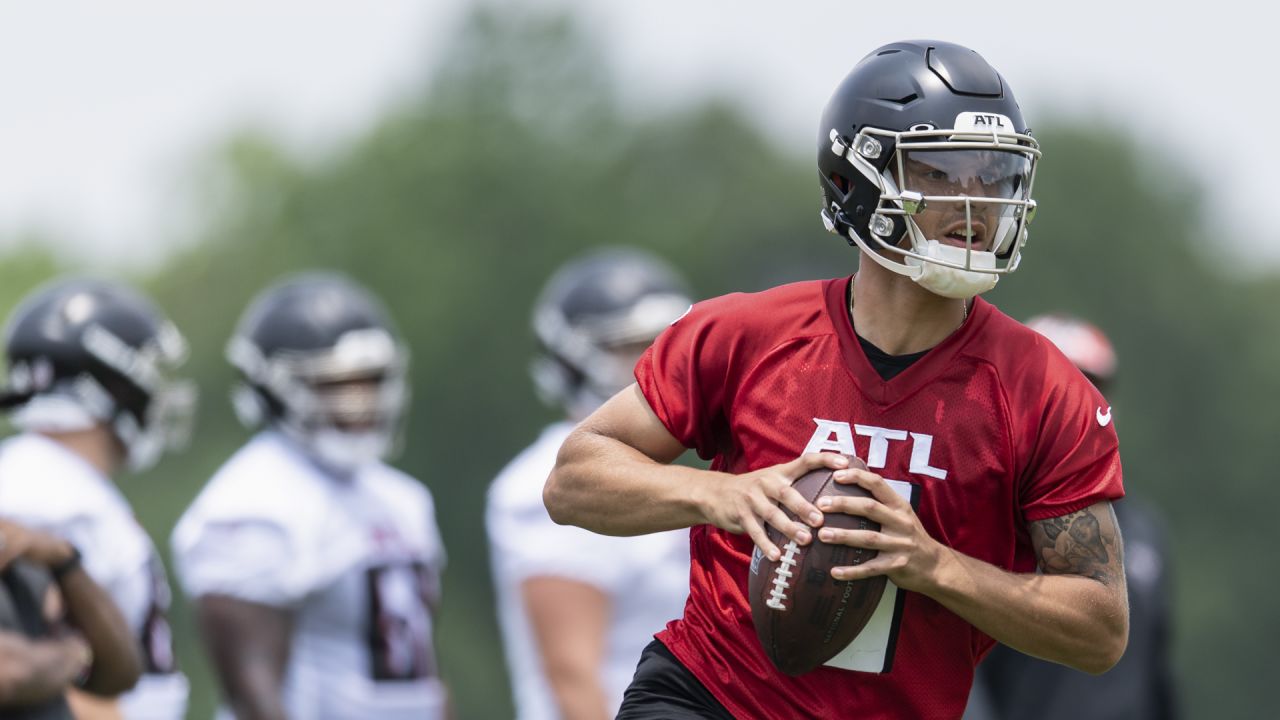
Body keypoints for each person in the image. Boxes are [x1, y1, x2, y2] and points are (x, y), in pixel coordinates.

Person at [543, 40, 1129, 719]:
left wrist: (935, 565)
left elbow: (1100, 628)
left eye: (993, 176)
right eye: (941, 172)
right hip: (711, 696)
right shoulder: (746, 335)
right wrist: (724, 495)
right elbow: (573, 480)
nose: (976, 202)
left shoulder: (1042, 390)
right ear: (857, 180)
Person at [171, 272, 448, 720]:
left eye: (371, 381)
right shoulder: (252, 502)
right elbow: (253, 700)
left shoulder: (403, 499)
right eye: (335, 384)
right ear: (270, 387)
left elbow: (420, 676)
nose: (360, 402)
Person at [487, 248, 694, 720]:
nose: (654, 363)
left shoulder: (670, 463)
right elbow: (572, 677)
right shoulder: (549, 477)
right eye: (631, 346)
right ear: (571, 360)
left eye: (666, 344)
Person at [964, 314, 1178, 720]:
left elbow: (1157, 671)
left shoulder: (1145, 530)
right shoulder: (979, 520)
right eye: (1056, 384)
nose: (1076, 401)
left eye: (1091, 386)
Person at [0, 278, 194, 719]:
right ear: (112, 382)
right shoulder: (44, 496)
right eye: (147, 370)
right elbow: (61, 683)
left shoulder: (58, 483)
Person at [0, 518, 143, 720]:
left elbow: (121, 674)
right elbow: (10, 673)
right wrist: (73, 655)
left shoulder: (16, 546)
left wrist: (64, 560)